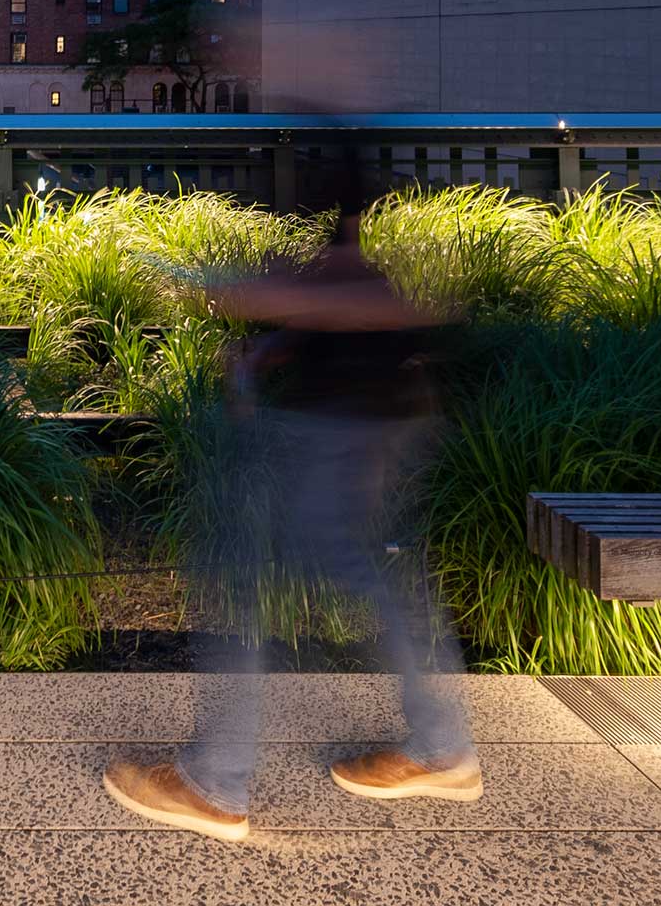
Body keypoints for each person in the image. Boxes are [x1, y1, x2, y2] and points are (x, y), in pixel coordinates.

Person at [102, 161, 478, 842]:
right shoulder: (345, 253)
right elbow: (346, 308)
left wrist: (262, 296)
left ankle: (215, 783)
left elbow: (363, 304)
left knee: (245, 570)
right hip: (357, 426)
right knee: (373, 575)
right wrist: (273, 343)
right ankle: (441, 743)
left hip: (337, 435)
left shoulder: (344, 251)